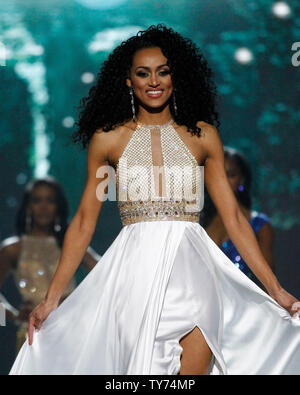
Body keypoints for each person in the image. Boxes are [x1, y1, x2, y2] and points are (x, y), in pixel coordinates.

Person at [9, 24, 300, 375]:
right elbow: (85, 220)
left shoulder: (203, 135)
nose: (154, 81)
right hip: (135, 273)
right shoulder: (108, 140)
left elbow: (235, 218)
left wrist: (277, 290)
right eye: (143, 73)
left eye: (163, 71)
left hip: (195, 269)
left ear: (176, 76)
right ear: (128, 81)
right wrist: (52, 299)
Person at [0, 177, 100, 355]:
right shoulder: (12, 249)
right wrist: (12, 316)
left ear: (58, 206)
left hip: (72, 330)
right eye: (37, 200)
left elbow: (105, 273)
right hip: (32, 334)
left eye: (50, 200)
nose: (44, 207)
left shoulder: (70, 245)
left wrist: (80, 303)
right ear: (28, 206)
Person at [201, 147, 275, 287]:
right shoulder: (198, 222)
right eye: (217, 175)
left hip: (246, 304)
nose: (223, 181)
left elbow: (267, 284)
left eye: (230, 175)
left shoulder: (259, 225)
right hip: (203, 301)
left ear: (242, 180)